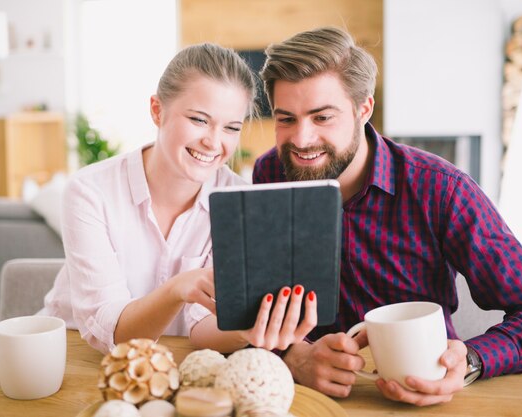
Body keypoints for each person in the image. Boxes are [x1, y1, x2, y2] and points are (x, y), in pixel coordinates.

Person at [252, 27, 522, 406]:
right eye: (285, 119)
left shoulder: (441, 189)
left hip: (424, 394)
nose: (301, 140)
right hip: (311, 400)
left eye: (322, 117)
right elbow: (257, 305)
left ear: (363, 109)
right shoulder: (271, 175)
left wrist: (471, 360)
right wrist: (295, 356)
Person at [41, 43, 316, 354]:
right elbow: (112, 333)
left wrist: (248, 328)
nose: (214, 142)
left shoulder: (237, 203)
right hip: (71, 356)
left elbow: (202, 326)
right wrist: (176, 289)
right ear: (158, 111)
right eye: (199, 120)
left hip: (172, 360)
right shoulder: (91, 192)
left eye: (231, 127)